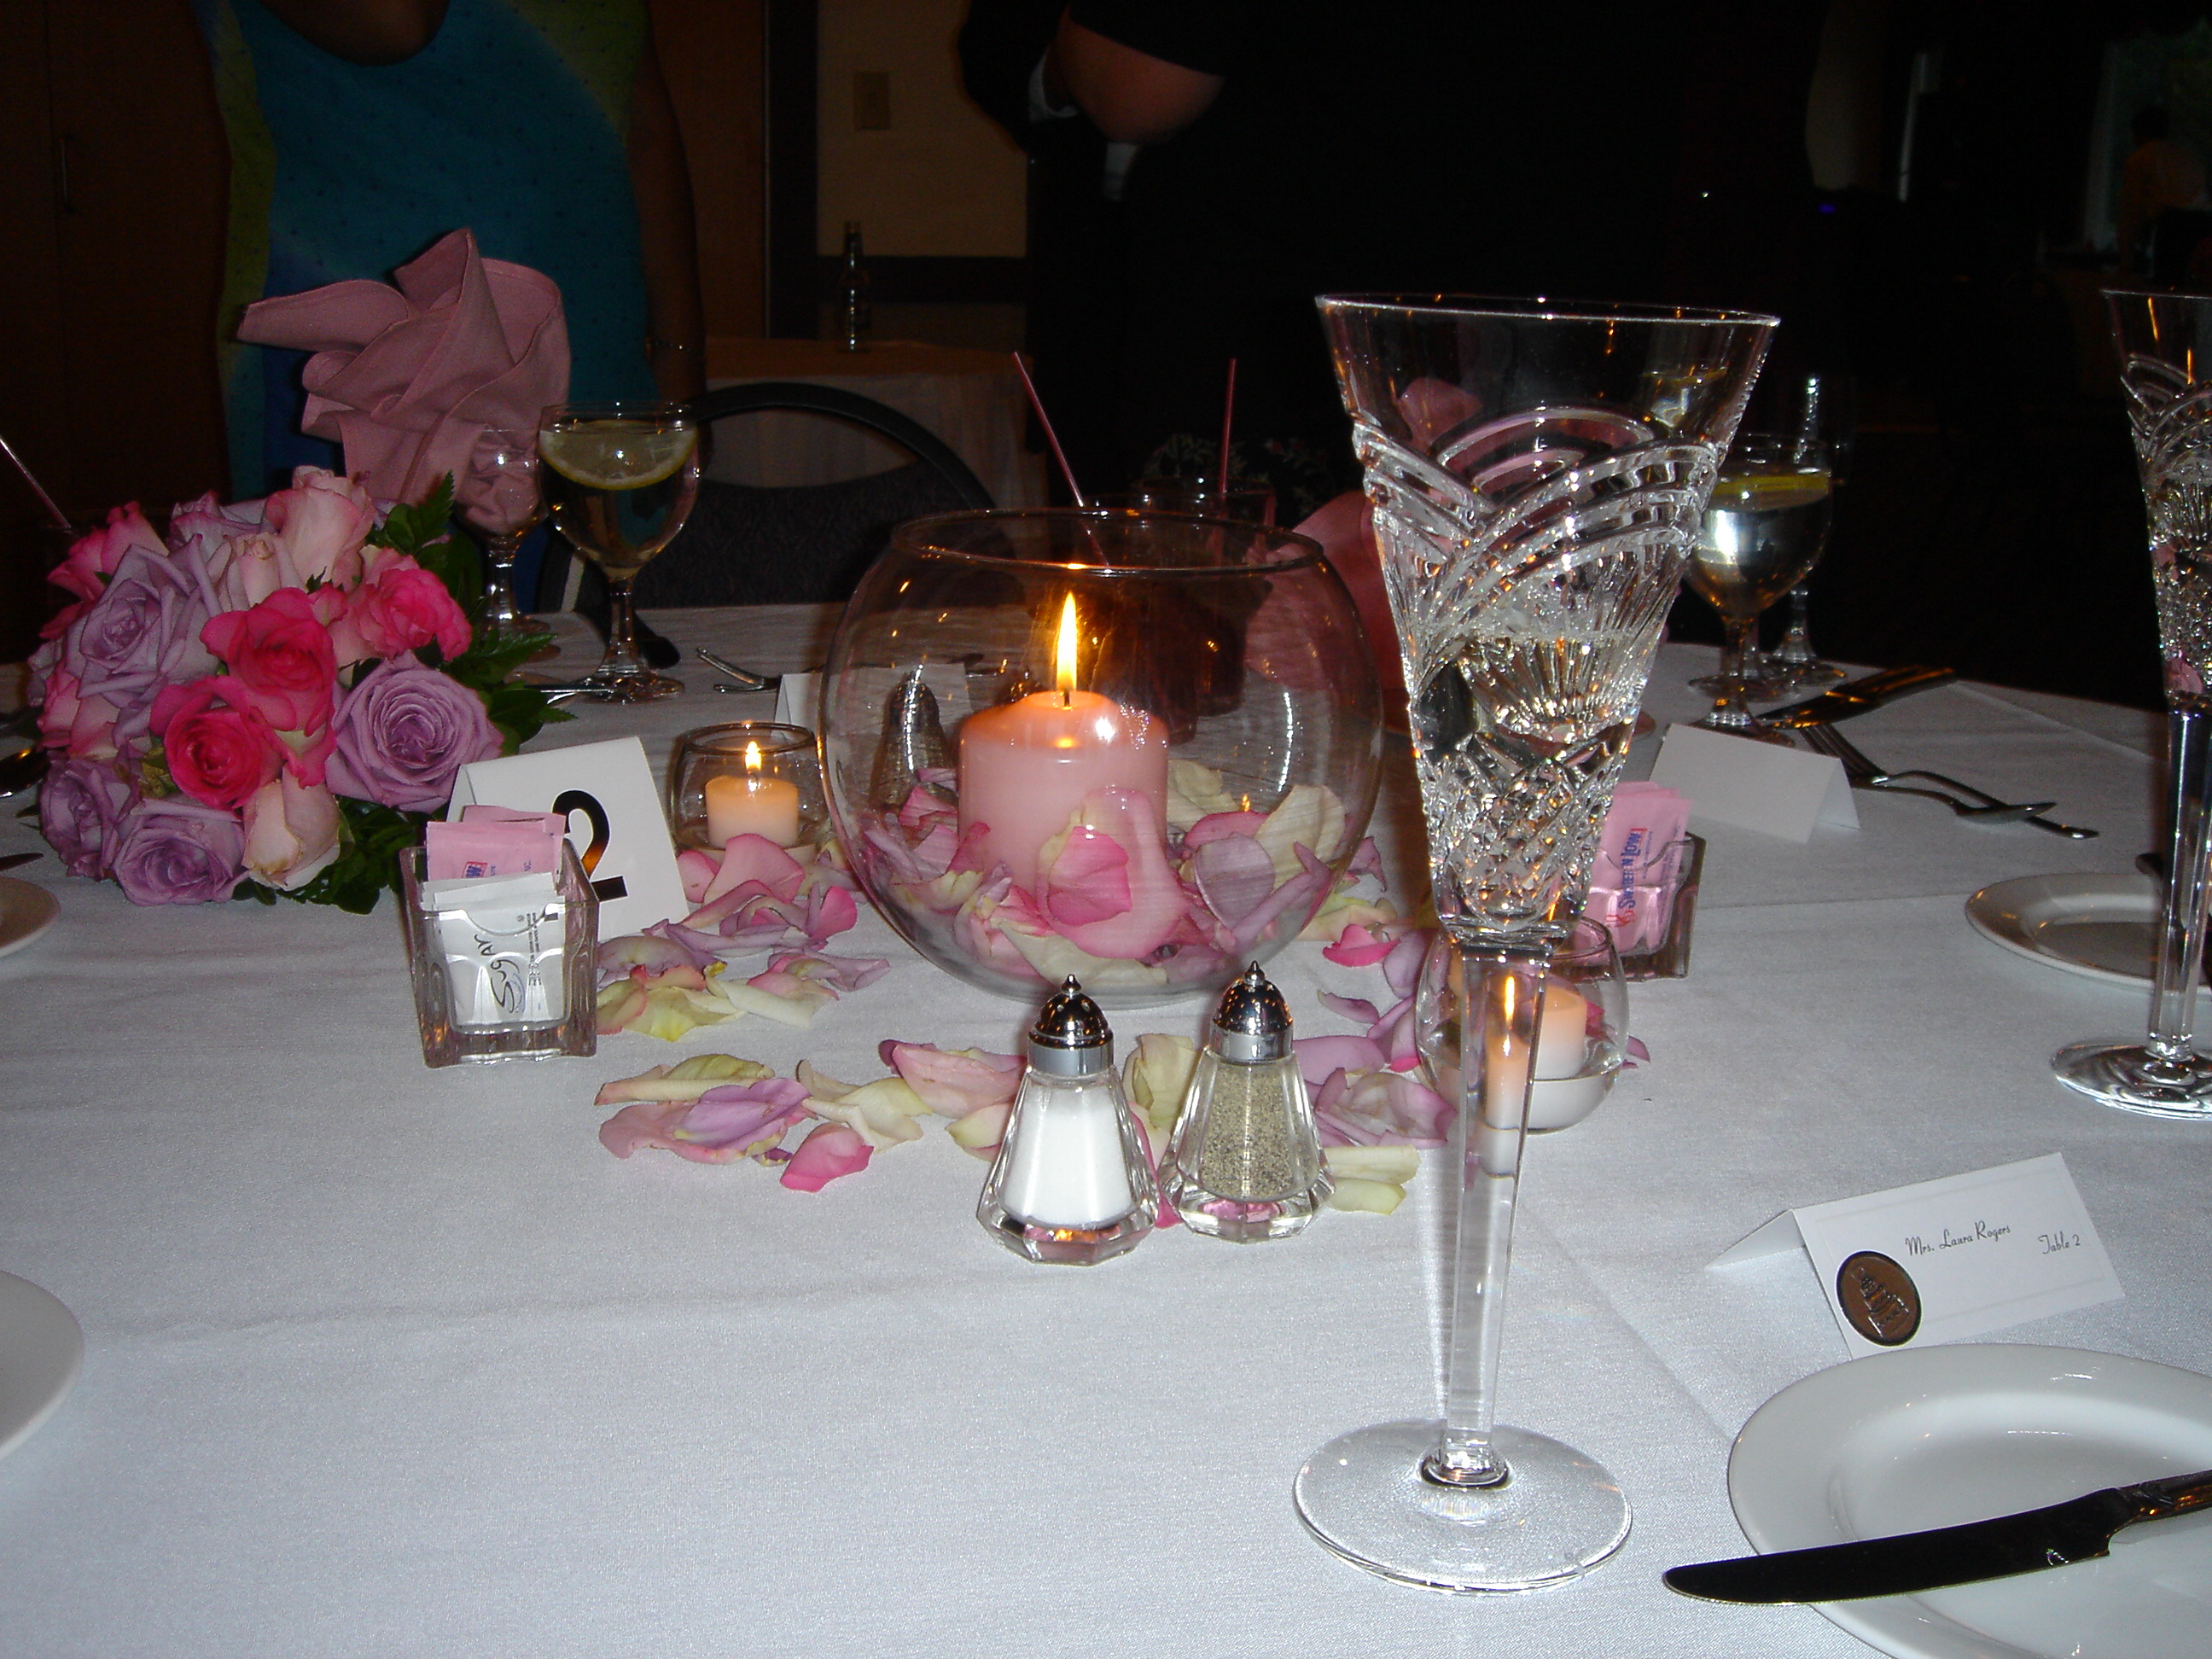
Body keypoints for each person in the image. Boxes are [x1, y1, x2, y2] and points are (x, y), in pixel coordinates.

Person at [1051, 1, 1826, 516]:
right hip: (1599, 311)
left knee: (1274, 663)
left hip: (1301, 352)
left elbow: (1138, 87)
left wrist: (1056, 57)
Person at [197, 0, 706, 509]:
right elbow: (395, 24)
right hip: (371, 362)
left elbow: (640, 117)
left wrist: (678, 361)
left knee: (601, 551)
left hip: (593, 345)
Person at [2117, 104, 2207, 279]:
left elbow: (2132, 211)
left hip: (2172, 231)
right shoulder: (2187, 157)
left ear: (2138, 132)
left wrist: (2126, 258)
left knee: (2168, 285)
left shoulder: (2141, 158)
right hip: (2202, 231)